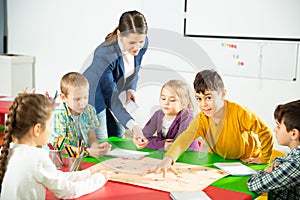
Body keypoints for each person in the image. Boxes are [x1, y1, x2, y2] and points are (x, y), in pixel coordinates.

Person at [151, 69, 274, 176]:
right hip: (219, 160)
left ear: (223, 94)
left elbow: (265, 132)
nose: (203, 104)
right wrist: (168, 158)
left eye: (208, 98)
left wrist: (264, 158)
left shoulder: (239, 112)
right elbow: (185, 138)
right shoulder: (202, 119)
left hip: (245, 161)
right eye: (199, 99)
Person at [0, 93, 108, 199]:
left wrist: (89, 172)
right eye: (50, 124)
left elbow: (57, 177)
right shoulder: (37, 156)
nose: (52, 129)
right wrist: (100, 179)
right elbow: (68, 191)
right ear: (37, 129)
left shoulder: (5, 150)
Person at [82, 10, 148, 148]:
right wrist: (135, 126)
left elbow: (135, 69)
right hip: (95, 96)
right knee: (102, 142)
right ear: (119, 34)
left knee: (118, 137)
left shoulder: (143, 42)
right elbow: (110, 97)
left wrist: (131, 88)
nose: (137, 47)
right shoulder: (104, 54)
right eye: (132, 42)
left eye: (140, 42)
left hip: (116, 91)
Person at [248, 99, 300, 199]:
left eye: (278, 126)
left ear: (294, 133)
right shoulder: (295, 155)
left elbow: (254, 185)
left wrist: (265, 172)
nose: (275, 130)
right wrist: (278, 164)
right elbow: (282, 160)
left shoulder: (296, 163)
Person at [50, 72, 111, 158]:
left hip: (81, 155)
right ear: (63, 97)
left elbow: (91, 136)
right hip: (62, 158)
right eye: (77, 99)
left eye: (85, 97)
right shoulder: (60, 114)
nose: (82, 103)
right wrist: (87, 152)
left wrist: (95, 148)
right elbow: (61, 147)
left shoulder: (89, 110)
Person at [142, 80, 200, 151]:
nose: (166, 103)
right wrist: (161, 144)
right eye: (163, 98)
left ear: (183, 103)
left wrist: (156, 143)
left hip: (187, 156)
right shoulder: (158, 114)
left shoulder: (187, 117)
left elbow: (178, 144)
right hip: (165, 154)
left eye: (172, 100)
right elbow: (142, 138)